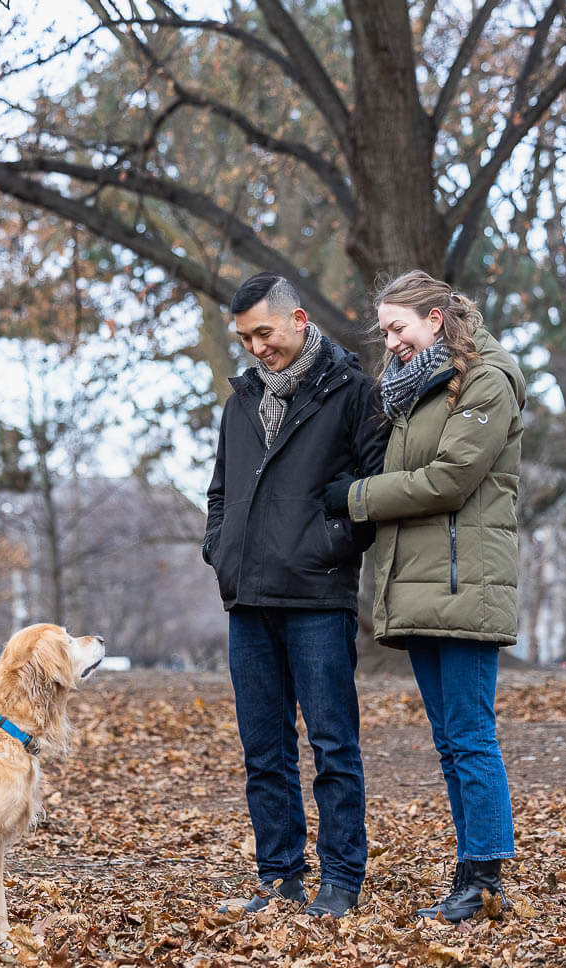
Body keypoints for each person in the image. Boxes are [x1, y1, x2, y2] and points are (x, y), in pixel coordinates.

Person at [322, 269, 524, 923]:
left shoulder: (487, 379)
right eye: (384, 331)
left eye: (398, 327)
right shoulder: (414, 391)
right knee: (450, 739)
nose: (391, 341)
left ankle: (485, 879)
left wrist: (356, 499)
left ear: (436, 319)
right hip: (421, 585)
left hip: (465, 585)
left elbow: (449, 480)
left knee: (470, 735)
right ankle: (472, 873)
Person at [203, 272, 389, 918]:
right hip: (248, 603)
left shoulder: (353, 394)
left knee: (333, 745)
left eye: (264, 332)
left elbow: (373, 491)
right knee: (264, 750)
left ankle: (341, 879)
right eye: (245, 338)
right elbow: (220, 492)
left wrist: (325, 547)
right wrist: (219, 550)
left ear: (299, 320)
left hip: (317, 599)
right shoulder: (241, 400)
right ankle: (278, 877)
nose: (256, 348)